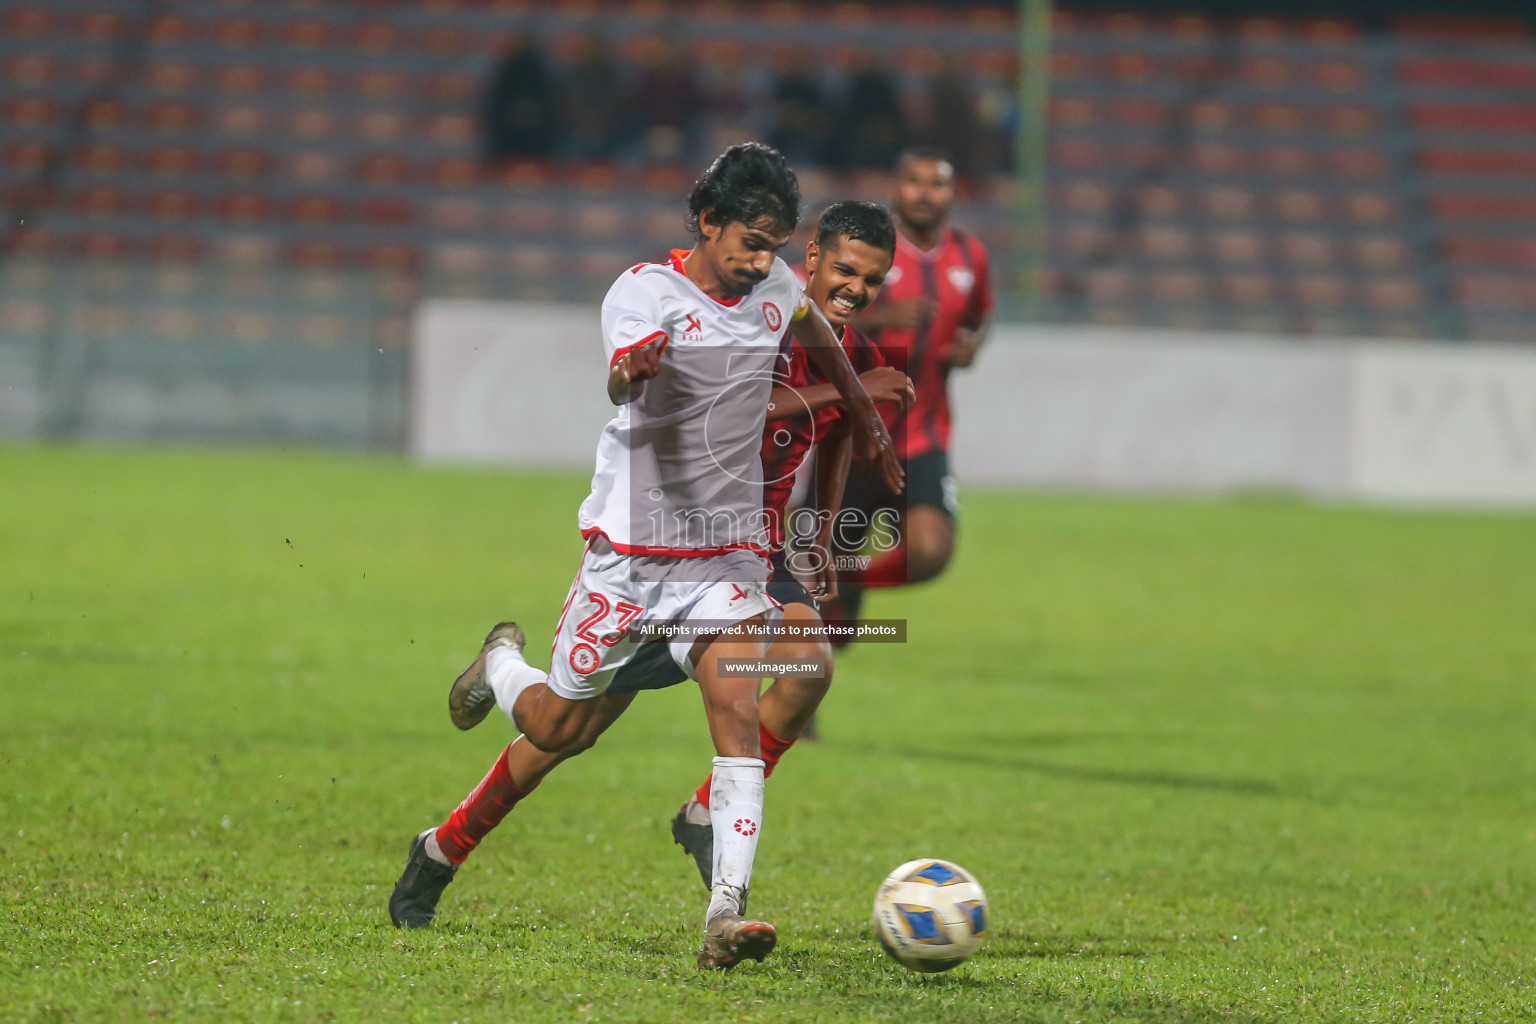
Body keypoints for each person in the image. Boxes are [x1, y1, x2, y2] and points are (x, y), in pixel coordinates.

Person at [387, 145, 902, 971]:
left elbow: (818, 333)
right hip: (629, 562)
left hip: (725, 559)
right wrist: (632, 370)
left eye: (773, 244)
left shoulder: (777, 287)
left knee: (739, 716)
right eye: (749, 241)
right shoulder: (644, 291)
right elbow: (622, 373)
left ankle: (724, 913)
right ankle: (501, 662)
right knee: (557, 726)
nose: (760, 260)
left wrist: (865, 419)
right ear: (707, 223)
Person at [829, 147, 993, 634]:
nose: (924, 193)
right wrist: (878, 318)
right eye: (914, 181)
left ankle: (852, 581)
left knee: (929, 551)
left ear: (952, 193)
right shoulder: (864, 250)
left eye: (936, 183)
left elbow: (979, 319)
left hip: (922, 437)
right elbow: (809, 314)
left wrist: (972, 347)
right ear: (895, 189)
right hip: (848, 442)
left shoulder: (970, 256)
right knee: (826, 627)